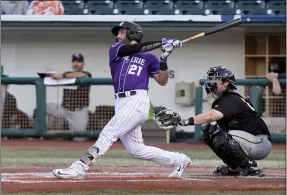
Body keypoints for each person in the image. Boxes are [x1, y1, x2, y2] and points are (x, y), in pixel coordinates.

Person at [52, 21, 190, 179]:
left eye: (122, 32)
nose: (118, 36)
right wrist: (161, 43)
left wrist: (164, 58)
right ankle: (179, 160)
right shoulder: (116, 49)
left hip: (137, 100)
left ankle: (80, 167)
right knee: (137, 150)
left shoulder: (149, 57)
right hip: (121, 102)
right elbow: (134, 48)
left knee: (108, 132)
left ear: (132, 33)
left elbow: (162, 81)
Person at [154, 66, 272, 176]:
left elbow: (211, 116)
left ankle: (251, 167)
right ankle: (235, 166)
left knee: (217, 133)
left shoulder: (231, 98)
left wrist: (184, 121)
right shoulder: (224, 100)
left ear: (225, 83)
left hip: (259, 141)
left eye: (215, 79)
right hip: (250, 140)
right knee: (208, 130)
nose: (211, 82)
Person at [46, 53, 92, 141]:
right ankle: (45, 132)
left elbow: (80, 75)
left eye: (78, 62)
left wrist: (62, 76)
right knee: (44, 107)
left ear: (83, 64)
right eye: (74, 61)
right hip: (64, 109)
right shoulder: (67, 73)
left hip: (79, 112)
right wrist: (52, 76)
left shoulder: (87, 74)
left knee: (79, 139)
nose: (76, 64)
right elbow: (61, 76)